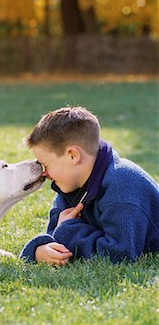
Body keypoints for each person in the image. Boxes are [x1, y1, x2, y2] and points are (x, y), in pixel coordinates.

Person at [20, 106, 159, 265]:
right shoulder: (72, 183)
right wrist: (40, 251)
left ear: (73, 156)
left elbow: (119, 255)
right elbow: (55, 235)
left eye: (46, 165)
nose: (43, 173)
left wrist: (68, 229)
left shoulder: (122, 191)